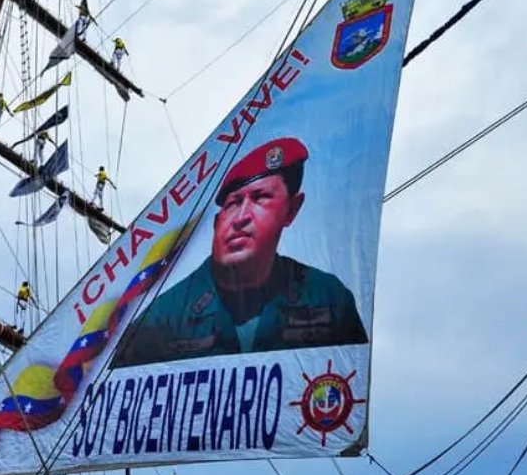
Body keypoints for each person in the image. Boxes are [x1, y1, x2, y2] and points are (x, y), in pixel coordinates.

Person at [114, 137, 368, 368]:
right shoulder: (161, 318)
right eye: (233, 203)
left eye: (260, 198)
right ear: (216, 223)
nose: (241, 218)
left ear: (292, 210)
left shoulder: (328, 297)